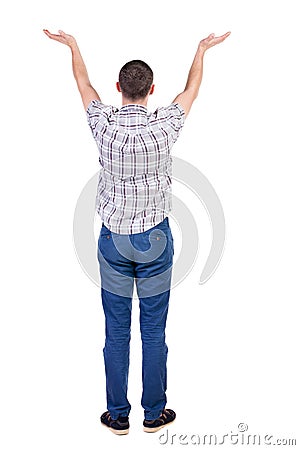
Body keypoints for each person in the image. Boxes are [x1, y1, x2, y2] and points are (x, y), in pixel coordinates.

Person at [43, 28, 231, 435]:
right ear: (151, 90)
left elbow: (83, 83)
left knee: (115, 331)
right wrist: (200, 51)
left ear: (119, 89)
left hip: (112, 242)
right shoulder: (164, 126)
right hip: (155, 242)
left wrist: (74, 46)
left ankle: (117, 415)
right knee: (153, 331)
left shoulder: (103, 125)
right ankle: (153, 413)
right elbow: (191, 90)